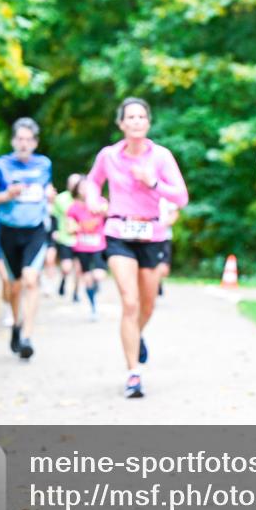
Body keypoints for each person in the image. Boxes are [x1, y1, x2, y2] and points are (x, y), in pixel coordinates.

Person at [83, 97, 189, 398]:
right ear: (121, 123)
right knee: (129, 303)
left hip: (152, 233)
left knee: (147, 305)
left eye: (141, 116)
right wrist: (93, 199)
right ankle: (133, 374)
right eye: (130, 117)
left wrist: (153, 183)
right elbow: (93, 182)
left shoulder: (162, 156)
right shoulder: (109, 155)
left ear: (148, 122)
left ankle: (136, 334)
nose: (136, 121)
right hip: (119, 231)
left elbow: (181, 197)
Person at [0, 117, 55, 359]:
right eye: (19, 139)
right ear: (13, 141)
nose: (23, 144)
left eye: (28, 140)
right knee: (14, 285)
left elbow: (47, 189)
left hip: (35, 230)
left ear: (35, 142)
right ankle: (16, 324)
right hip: (8, 231)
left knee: (31, 280)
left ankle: (27, 337)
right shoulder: (0, 165)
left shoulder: (44, 164)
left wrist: (49, 195)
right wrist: (6, 195)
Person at [66, 177, 108, 320]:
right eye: (81, 188)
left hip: (99, 246)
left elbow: (108, 212)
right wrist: (79, 227)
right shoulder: (73, 208)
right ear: (76, 190)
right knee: (88, 279)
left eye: (87, 188)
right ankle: (93, 307)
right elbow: (70, 227)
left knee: (99, 275)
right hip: (82, 248)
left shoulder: (101, 203)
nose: (84, 191)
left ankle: (96, 286)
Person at [52, 173, 82, 301]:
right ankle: (63, 279)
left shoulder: (85, 199)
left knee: (79, 268)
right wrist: (54, 231)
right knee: (66, 267)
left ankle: (76, 292)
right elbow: (53, 216)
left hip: (81, 239)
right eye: (71, 183)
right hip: (65, 238)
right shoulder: (60, 199)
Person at [155, 198, 180, 296]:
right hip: (146, 237)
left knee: (164, 267)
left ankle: (156, 282)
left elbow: (174, 213)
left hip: (164, 237)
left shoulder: (166, 196)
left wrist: (164, 224)